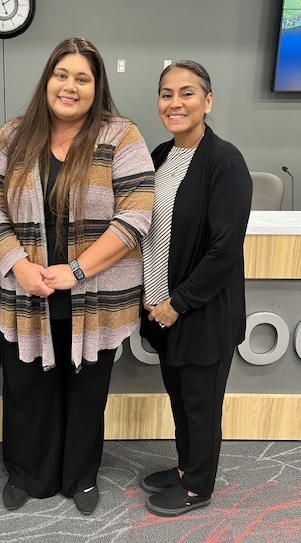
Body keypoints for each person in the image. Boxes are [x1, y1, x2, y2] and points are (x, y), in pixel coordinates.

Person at [0, 37, 154, 515]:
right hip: (27, 289)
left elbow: (136, 217)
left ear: (97, 87)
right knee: (26, 387)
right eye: (62, 75)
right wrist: (17, 264)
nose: (70, 86)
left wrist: (74, 271)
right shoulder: (13, 136)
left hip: (95, 293)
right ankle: (27, 474)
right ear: (47, 80)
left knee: (86, 391)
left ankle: (80, 477)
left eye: (83, 78)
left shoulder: (122, 136)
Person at [139, 60, 252, 517]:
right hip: (162, 309)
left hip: (199, 313)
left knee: (201, 405)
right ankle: (187, 467)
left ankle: (197, 487)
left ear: (208, 101)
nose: (175, 103)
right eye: (167, 93)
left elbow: (224, 249)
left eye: (187, 93)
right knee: (181, 399)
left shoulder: (224, 161)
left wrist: (178, 303)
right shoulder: (160, 156)